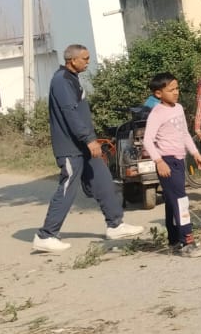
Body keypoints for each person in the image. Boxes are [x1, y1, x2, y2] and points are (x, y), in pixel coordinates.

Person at [33, 44, 144, 253]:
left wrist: (90, 140)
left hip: (85, 146)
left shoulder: (72, 79)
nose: (88, 62)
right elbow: (70, 113)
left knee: (103, 181)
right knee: (68, 189)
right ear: (72, 60)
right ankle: (45, 235)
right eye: (85, 58)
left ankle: (115, 225)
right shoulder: (61, 81)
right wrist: (89, 139)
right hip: (71, 148)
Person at [144, 72, 201, 257]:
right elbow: (148, 141)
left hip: (179, 160)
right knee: (181, 201)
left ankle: (174, 240)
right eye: (171, 89)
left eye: (177, 88)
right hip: (167, 162)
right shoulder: (157, 113)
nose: (176, 92)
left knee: (172, 201)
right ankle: (187, 242)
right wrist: (159, 161)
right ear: (158, 93)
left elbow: (184, 134)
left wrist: (196, 153)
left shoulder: (178, 108)